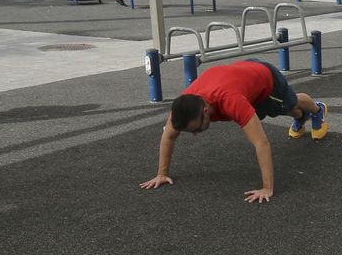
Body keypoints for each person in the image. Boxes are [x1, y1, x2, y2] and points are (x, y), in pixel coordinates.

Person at [139, 60, 329, 204]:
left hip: (266, 79)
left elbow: (261, 143)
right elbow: (168, 136)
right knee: (281, 111)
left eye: (197, 129)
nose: (195, 134)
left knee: (288, 104)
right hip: (242, 78)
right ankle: (301, 117)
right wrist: (162, 173)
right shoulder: (183, 107)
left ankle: (317, 109)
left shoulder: (230, 101)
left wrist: (267, 188)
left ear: (206, 111)